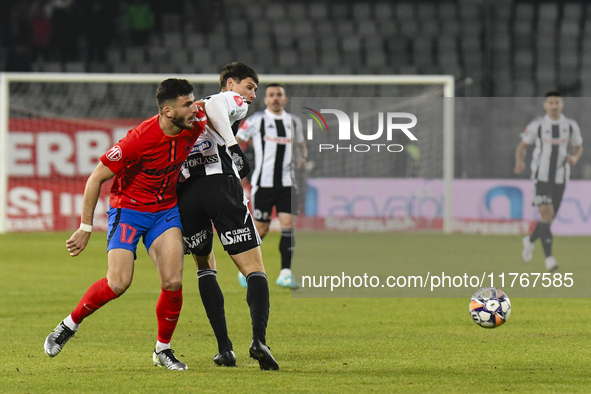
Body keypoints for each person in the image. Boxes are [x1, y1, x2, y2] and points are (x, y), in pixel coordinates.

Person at [44, 79, 207, 371]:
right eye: (187, 104)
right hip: (128, 210)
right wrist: (85, 226)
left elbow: (224, 105)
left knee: (173, 281)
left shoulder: (195, 122)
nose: (194, 109)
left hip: (165, 211)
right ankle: (69, 324)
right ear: (168, 111)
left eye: (194, 102)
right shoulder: (138, 139)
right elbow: (95, 178)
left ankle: (163, 350)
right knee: (118, 282)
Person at [177, 62, 279, 370]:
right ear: (230, 82)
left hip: (187, 193)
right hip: (220, 186)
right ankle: (258, 340)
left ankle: (224, 349)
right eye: (249, 87)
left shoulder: (184, 113)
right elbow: (217, 106)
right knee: (254, 269)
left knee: (205, 267)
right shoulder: (225, 99)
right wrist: (234, 147)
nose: (251, 97)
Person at [235, 83, 307, 289]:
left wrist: (302, 157)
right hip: (263, 184)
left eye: (279, 95)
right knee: (261, 228)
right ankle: (246, 268)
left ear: (285, 99)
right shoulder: (257, 120)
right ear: (266, 100)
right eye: (271, 95)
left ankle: (285, 273)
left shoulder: (294, 122)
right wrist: (238, 167)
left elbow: (301, 145)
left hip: (288, 184)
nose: (275, 98)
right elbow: (237, 142)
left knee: (288, 226)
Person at [514, 91, 583, 272]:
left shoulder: (570, 126)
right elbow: (523, 145)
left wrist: (574, 158)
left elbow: (578, 146)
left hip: (560, 178)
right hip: (541, 178)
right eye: (550, 103)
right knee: (546, 215)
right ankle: (549, 259)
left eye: (557, 103)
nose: (554, 106)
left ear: (562, 105)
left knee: (549, 218)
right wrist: (519, 161)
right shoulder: (537, 125)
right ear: (545, 105)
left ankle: (529, 241)